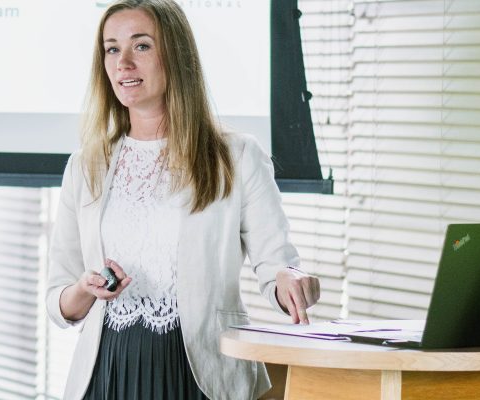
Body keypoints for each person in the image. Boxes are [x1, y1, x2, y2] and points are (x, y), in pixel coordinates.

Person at [46, 0, 320, 398]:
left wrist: (291, 279)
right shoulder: (85, 166)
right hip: (108, 369)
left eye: (141, 46)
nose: (123, 63)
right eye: (111, 49)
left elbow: (276, 264)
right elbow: (59, 301)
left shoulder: (237, 156)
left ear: (176, 54)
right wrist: (86, 289)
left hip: (201, 369)